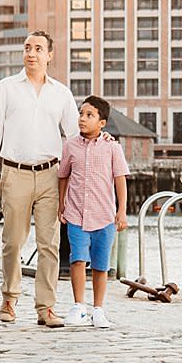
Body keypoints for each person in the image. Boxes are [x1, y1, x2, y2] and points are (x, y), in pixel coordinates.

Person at [0, 30, 77, 328]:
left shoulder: (61, 93)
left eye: (38, 48)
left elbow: (73, 136)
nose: (31, 53)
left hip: (50, 175)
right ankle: (9, 297)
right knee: (13, 241)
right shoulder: (6, 88)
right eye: (27, 48)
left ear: (49, 55)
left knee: (50, 244)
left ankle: (46, 307)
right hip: (14, 172)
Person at [58, 94, 130, 328]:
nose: (82, 119)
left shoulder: (112, 148)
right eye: (81, 114)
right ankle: (79, 306)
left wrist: (122, 211)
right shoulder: (70, 146)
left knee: (101, 265)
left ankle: (98, 309)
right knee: (77, 260)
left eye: (89, 115)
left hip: (104, 216)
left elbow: (120, 180)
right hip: (77, 214)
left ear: (102, 123)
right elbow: (63, 176)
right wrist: (62, 204)